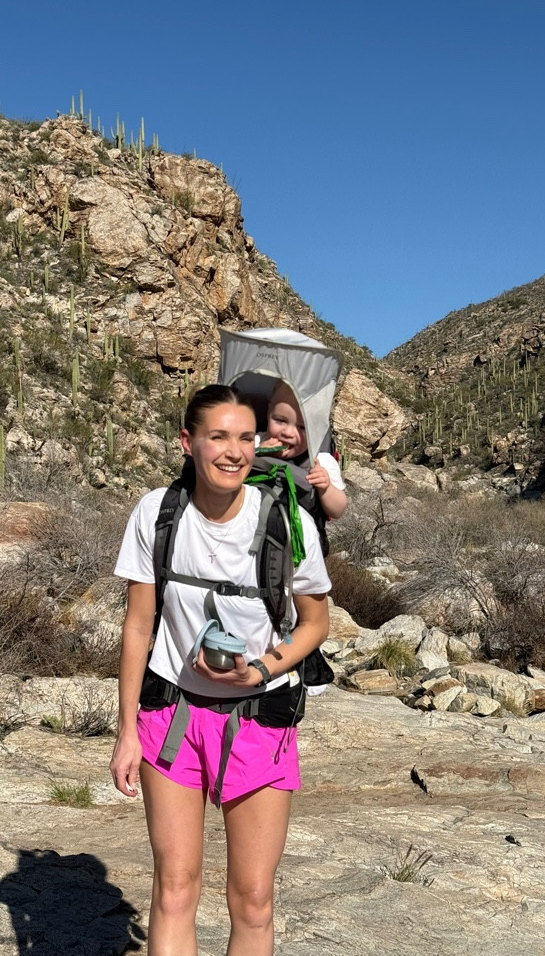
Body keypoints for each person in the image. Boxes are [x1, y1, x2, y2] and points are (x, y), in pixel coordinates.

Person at [109, 384, 331, 956]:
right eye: (219, 437)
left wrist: (261, 669)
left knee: (253, 898)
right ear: (188, 442)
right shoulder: (157, 513)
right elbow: (138, 626)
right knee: (175, 888)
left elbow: (315, 623)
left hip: (260, 717)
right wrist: (126, 731)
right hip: (172, 715)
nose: (234, 452)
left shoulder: (286, 521)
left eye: (245, 438)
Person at [261, 380, 348, 520]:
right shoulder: (256, 441)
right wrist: (258, 452)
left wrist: (326, 487)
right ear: (268, 412)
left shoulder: (320, 461)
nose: (288, 433)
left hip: (292, 528)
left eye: (302, 427)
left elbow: (338, 510)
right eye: (281, 420)